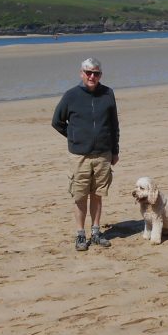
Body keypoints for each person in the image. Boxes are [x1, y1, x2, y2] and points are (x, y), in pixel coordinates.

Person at [51, 58, 120, 251]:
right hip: (79, 156)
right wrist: (74, 137)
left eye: (96, 73)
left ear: (100, 75)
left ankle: (96, 232)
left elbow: (114, 125)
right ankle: (81, 235)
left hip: (103, 155)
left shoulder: (108, 94)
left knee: (97, 195)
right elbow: (57, 122)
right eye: (88, 72)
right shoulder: (71, 96)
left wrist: (115, 151)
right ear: (81, 73)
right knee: (80, 196)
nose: (92, 76)